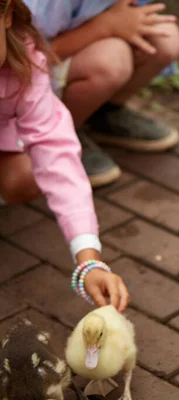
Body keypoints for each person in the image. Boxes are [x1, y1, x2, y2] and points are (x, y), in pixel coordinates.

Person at [0, 0, 129, 311]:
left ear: (6, 14)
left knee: (28, 175)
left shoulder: (26, 65)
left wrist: (88, 258)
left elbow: (55, 153)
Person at [23, 0, 179, 187]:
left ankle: (102, 114)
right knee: (110, 62)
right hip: (32, 71)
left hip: (77, 48)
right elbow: (25, 60)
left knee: (165, 38)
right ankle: (55, 138)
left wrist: (120, 21)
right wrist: (103, 27)